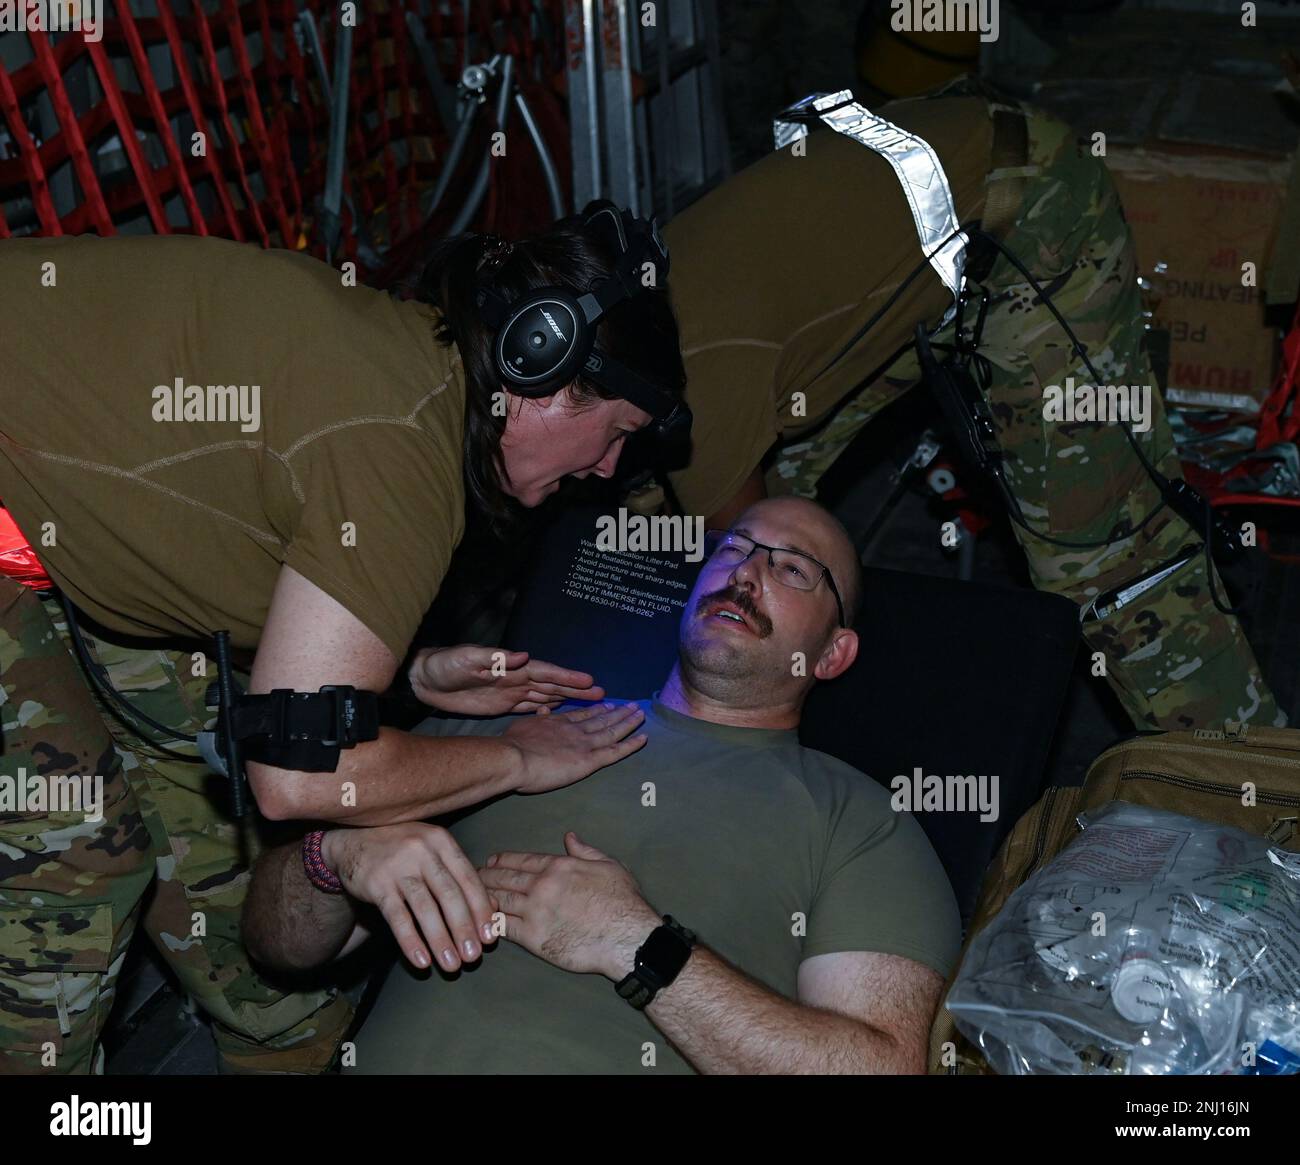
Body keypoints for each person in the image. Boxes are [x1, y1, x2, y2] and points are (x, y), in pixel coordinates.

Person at [0, 202, 684, 1073]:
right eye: (618, 432)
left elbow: (252, 556)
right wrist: (515, 757)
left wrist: (412, 673)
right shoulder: (402, 447)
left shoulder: (408, 369)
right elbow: (299, 777)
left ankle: (280, 1037)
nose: (608, 469)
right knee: (83, 857)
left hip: (59, 507)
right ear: (542, 362)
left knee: (204, 798)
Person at [243, 496, 961, 1074]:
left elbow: (881, 1065)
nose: (746, 573)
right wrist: (332, 858)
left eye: (794, 569)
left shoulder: (861, 820)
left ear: (833, 652)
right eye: (734, 547)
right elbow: (274, 943)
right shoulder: (509, 732)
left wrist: (639, 947)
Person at [655, 82, 1282, 733]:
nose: (547, 491)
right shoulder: (609, 351)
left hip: (1025, 214)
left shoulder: (697, 403)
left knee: (1103, 556)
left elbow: (742, 536)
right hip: (906, 256)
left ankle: (1258, 794)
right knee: (689, 522)